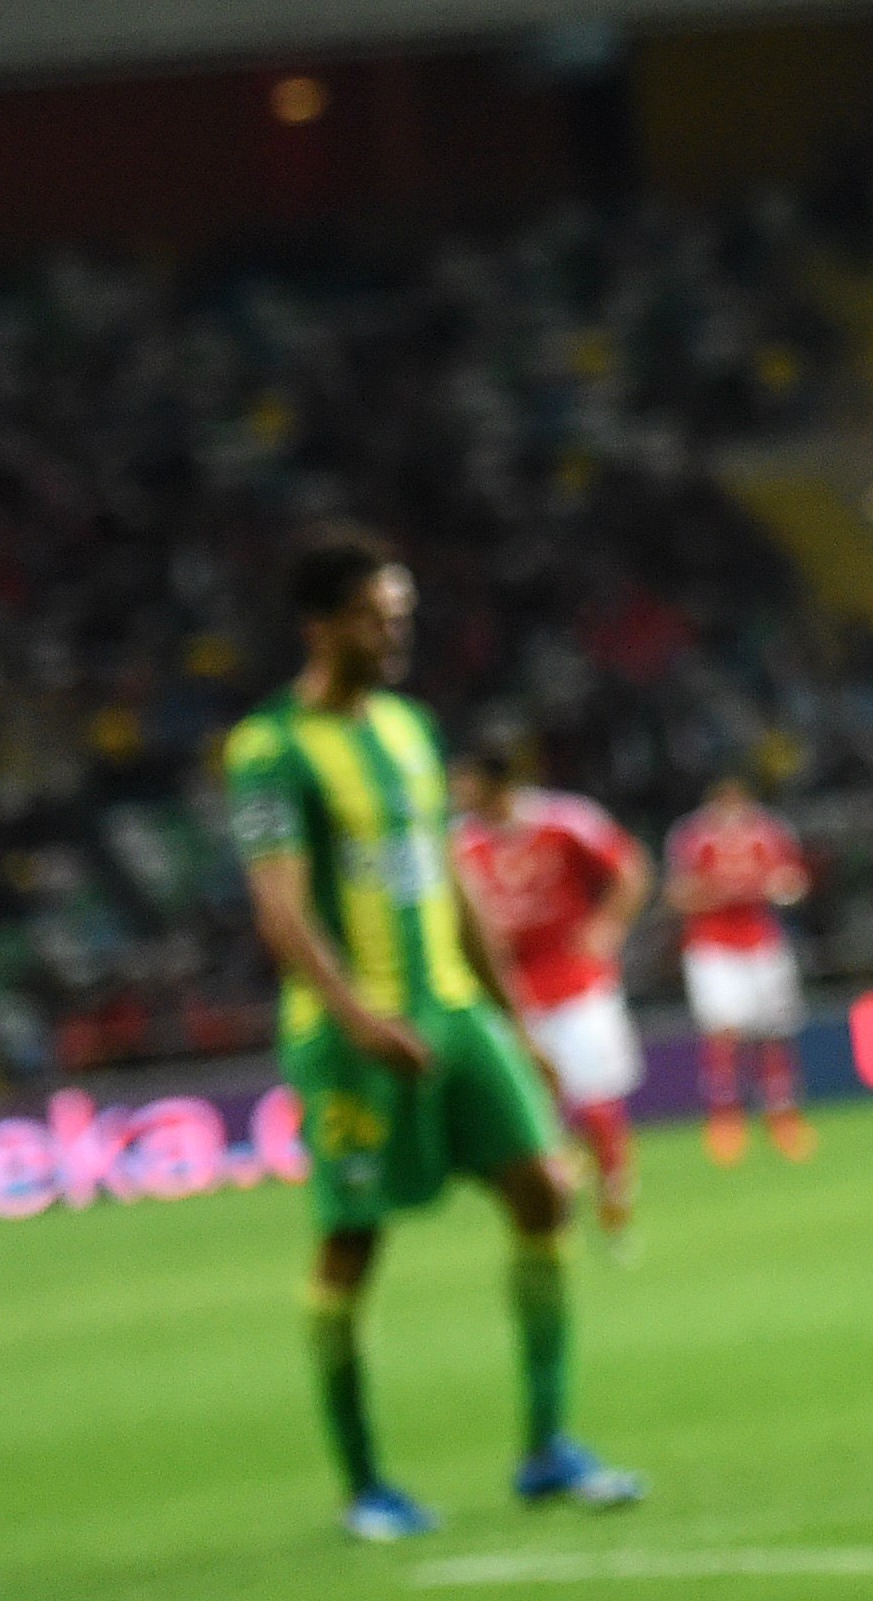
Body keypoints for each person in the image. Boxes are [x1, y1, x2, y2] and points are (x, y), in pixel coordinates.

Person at [222, 530, 646, 1539]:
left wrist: (517, 1020)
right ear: (322, 627)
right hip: (350, 1034)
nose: (396, 631)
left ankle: (547, 1448)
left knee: (544, 1190)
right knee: (351, 1243)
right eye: (377, 616)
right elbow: (280, 910)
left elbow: (452, 884)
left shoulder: (411, 730)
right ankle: (365, 1484)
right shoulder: (270, 747)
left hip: (453, 1011)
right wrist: (358, 1018)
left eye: (403, 614)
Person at [449, 745, 654, 1258]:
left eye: (465, 780)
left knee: (598, 1102)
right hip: (511, 997)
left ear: (492, 782)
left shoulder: (566, 821)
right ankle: (555, 1215)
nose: (457, 791)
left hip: (577, 982)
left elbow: (631, 867)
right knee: (532, 1115)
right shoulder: (458, 845)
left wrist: (608, 926)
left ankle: (614, 1206)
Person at [664, 770, 815, 1165]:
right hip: (713, 946)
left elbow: (793, 882)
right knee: (723, 1033)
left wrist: (776, 888)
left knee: (774, 1032)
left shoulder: (769, 831)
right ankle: (725, 1120)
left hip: (762, 942)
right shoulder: (692, 836)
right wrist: (719, 893)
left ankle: (782, 1117)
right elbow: (677, 894)